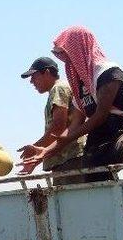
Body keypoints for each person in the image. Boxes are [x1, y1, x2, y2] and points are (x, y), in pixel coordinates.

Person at [19, 26, 123, 180]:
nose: (66, 61)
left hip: (119, 132)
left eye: (67, 54)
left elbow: (100, 116)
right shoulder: (79, 83)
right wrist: (45, 152)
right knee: (90, 178)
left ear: (79, 48)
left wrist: (65, 140)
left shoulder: (108, 72)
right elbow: (74, 124)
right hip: (97, 141)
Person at [19, 56, 87, 185]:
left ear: (47, 72)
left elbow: (58, 128)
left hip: (69, 159)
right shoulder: (61, 88)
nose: (31, 81)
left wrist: (35, 148)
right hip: (68, 159)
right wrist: (37, 157)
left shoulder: (58, 88)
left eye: (34, 76)